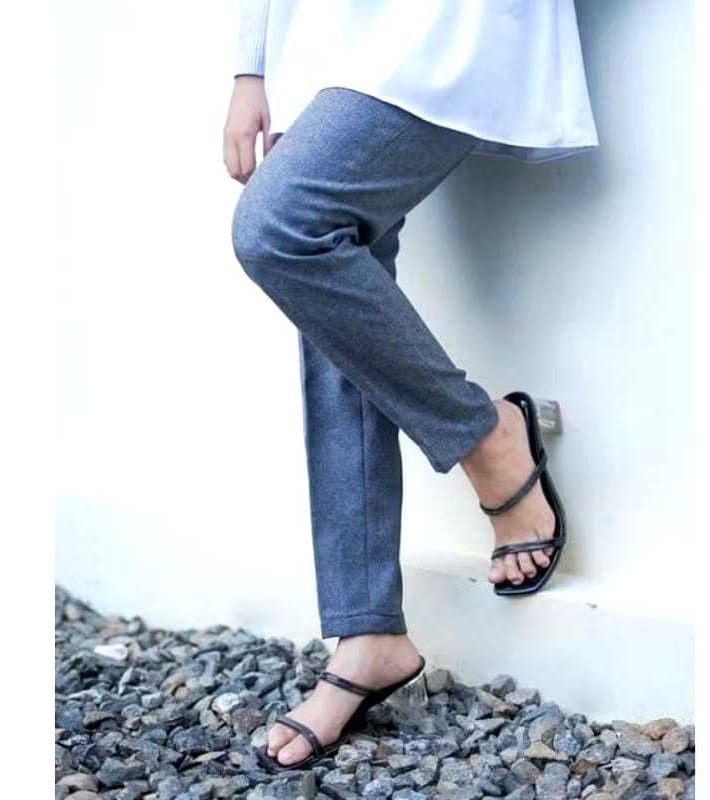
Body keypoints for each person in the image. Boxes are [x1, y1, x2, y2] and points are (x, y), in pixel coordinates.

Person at [223, 0, 598, 769]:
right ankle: (368, 634)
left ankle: (486, 437)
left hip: (442, 21)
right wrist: (251, 64)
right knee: (332, 285)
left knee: (282, 227)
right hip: (322, 32)